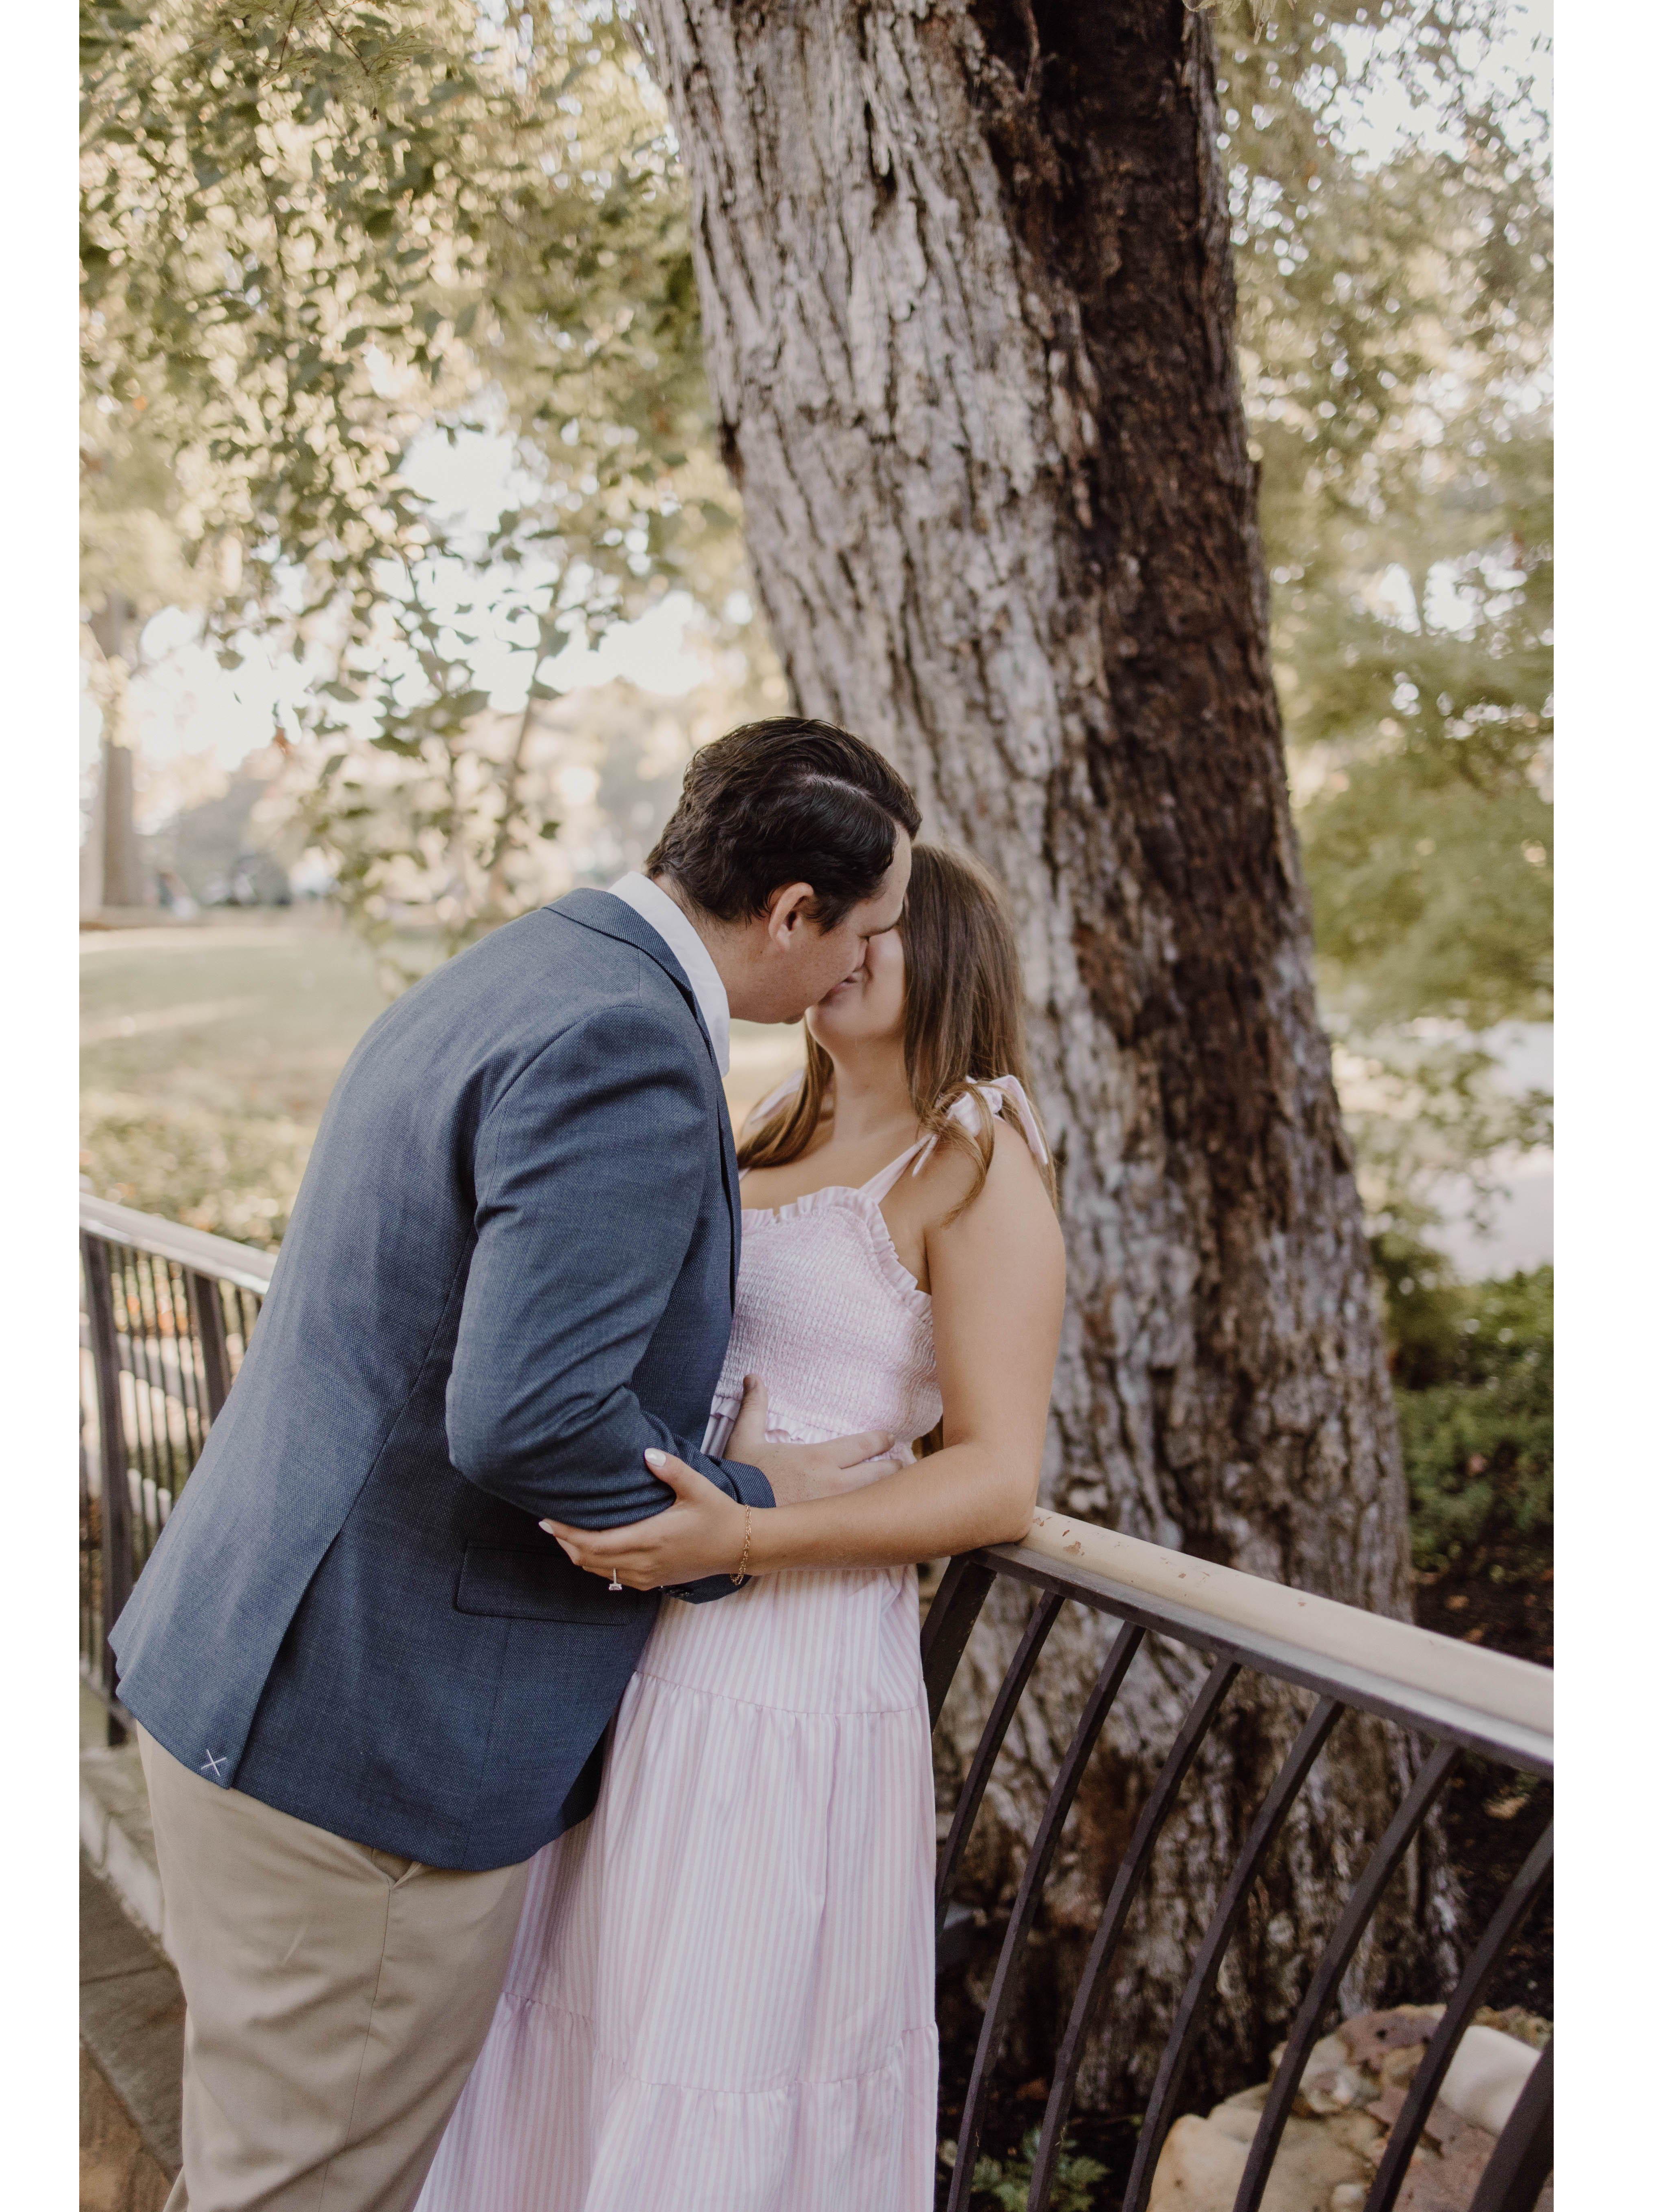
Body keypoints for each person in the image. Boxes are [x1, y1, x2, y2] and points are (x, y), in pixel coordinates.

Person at [108, 718, 922, 2212]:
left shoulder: (533, 962)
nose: (868, 966)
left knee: (251, 2169)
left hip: (251, 1671)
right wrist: (748, 1508)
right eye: (865, 930)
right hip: (366, 1748)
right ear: (792, 912)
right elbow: (528, 1414)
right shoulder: (629, 1044)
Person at [419, 842, 1068, 2211]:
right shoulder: (765, 1122)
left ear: (947, 949)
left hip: (787, 1664)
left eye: (879, 927)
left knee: (717, 2034)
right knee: (588, 2006)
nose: (843, 948)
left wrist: (749, 1539)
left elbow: (998, 1478)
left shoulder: (978, 1161)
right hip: (634, 1643)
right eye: (835, 924)